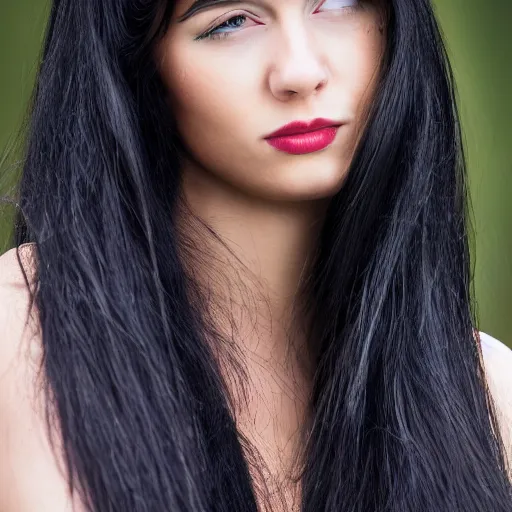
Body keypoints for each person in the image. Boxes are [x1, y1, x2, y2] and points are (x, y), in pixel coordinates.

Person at [0, 0, 511, 510]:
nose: (300, 71)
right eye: (232, 21)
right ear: (136, 63)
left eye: (335, 3)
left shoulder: (488, 395)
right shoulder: (26, 333)